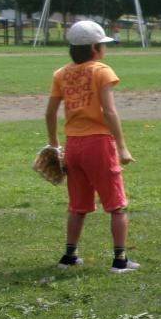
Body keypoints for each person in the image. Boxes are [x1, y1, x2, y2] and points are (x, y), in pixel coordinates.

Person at [44, 20, 138, 273]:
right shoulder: (102, 71)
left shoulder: (61, 74)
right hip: (99, 143)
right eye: (103, 45)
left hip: (73, 146)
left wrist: (55, 145)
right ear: (95, 47)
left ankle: (69, 256)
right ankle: (120, 261)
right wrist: (122, 147)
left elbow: (50, 113)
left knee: (78, 206)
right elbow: (109, 111)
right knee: (117, 205)